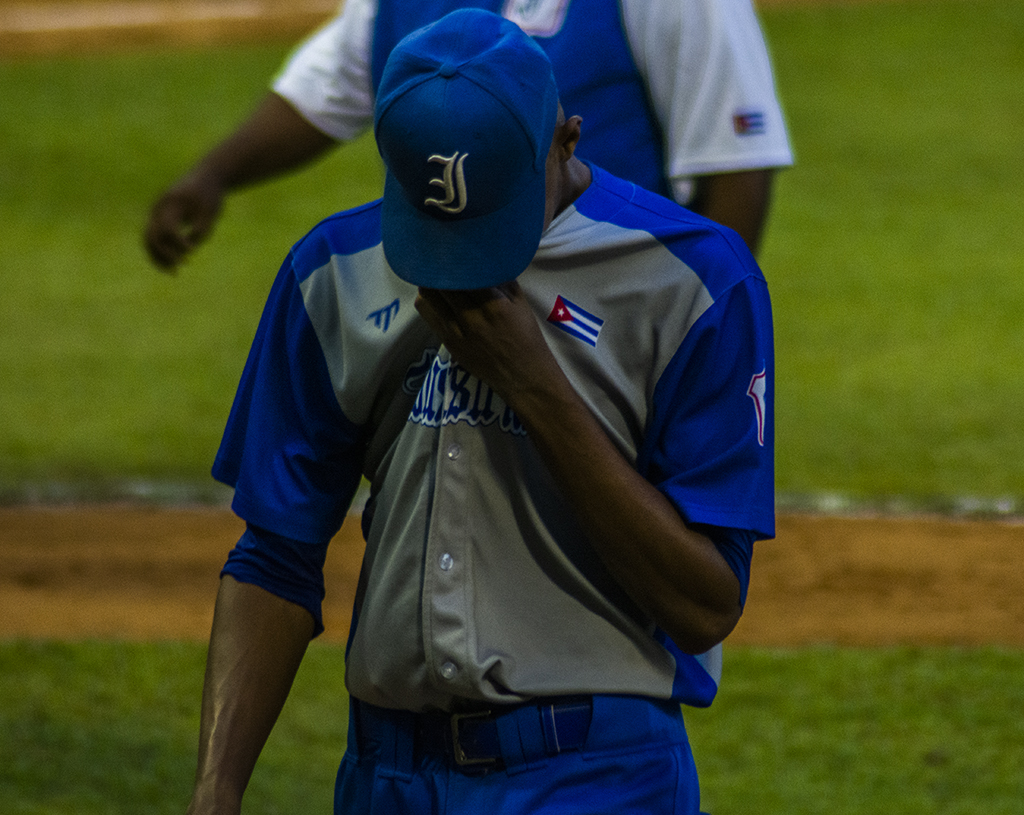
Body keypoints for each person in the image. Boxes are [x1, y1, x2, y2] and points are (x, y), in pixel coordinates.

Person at [186, 10, 774, 814]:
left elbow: (706, 604)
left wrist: (535, 385)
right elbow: (274, 556)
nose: (456, 254)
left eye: (489, 213)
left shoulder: (693, 283)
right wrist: (215, 792)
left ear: (565, 142)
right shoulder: (331, 276)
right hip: (383, 776)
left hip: (597, 777)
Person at [145, 0, 792, 270]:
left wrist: (701, 336)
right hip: (440, 290)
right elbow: (330, 87)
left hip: (607, 314)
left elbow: (737, 168)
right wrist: (214, 173)